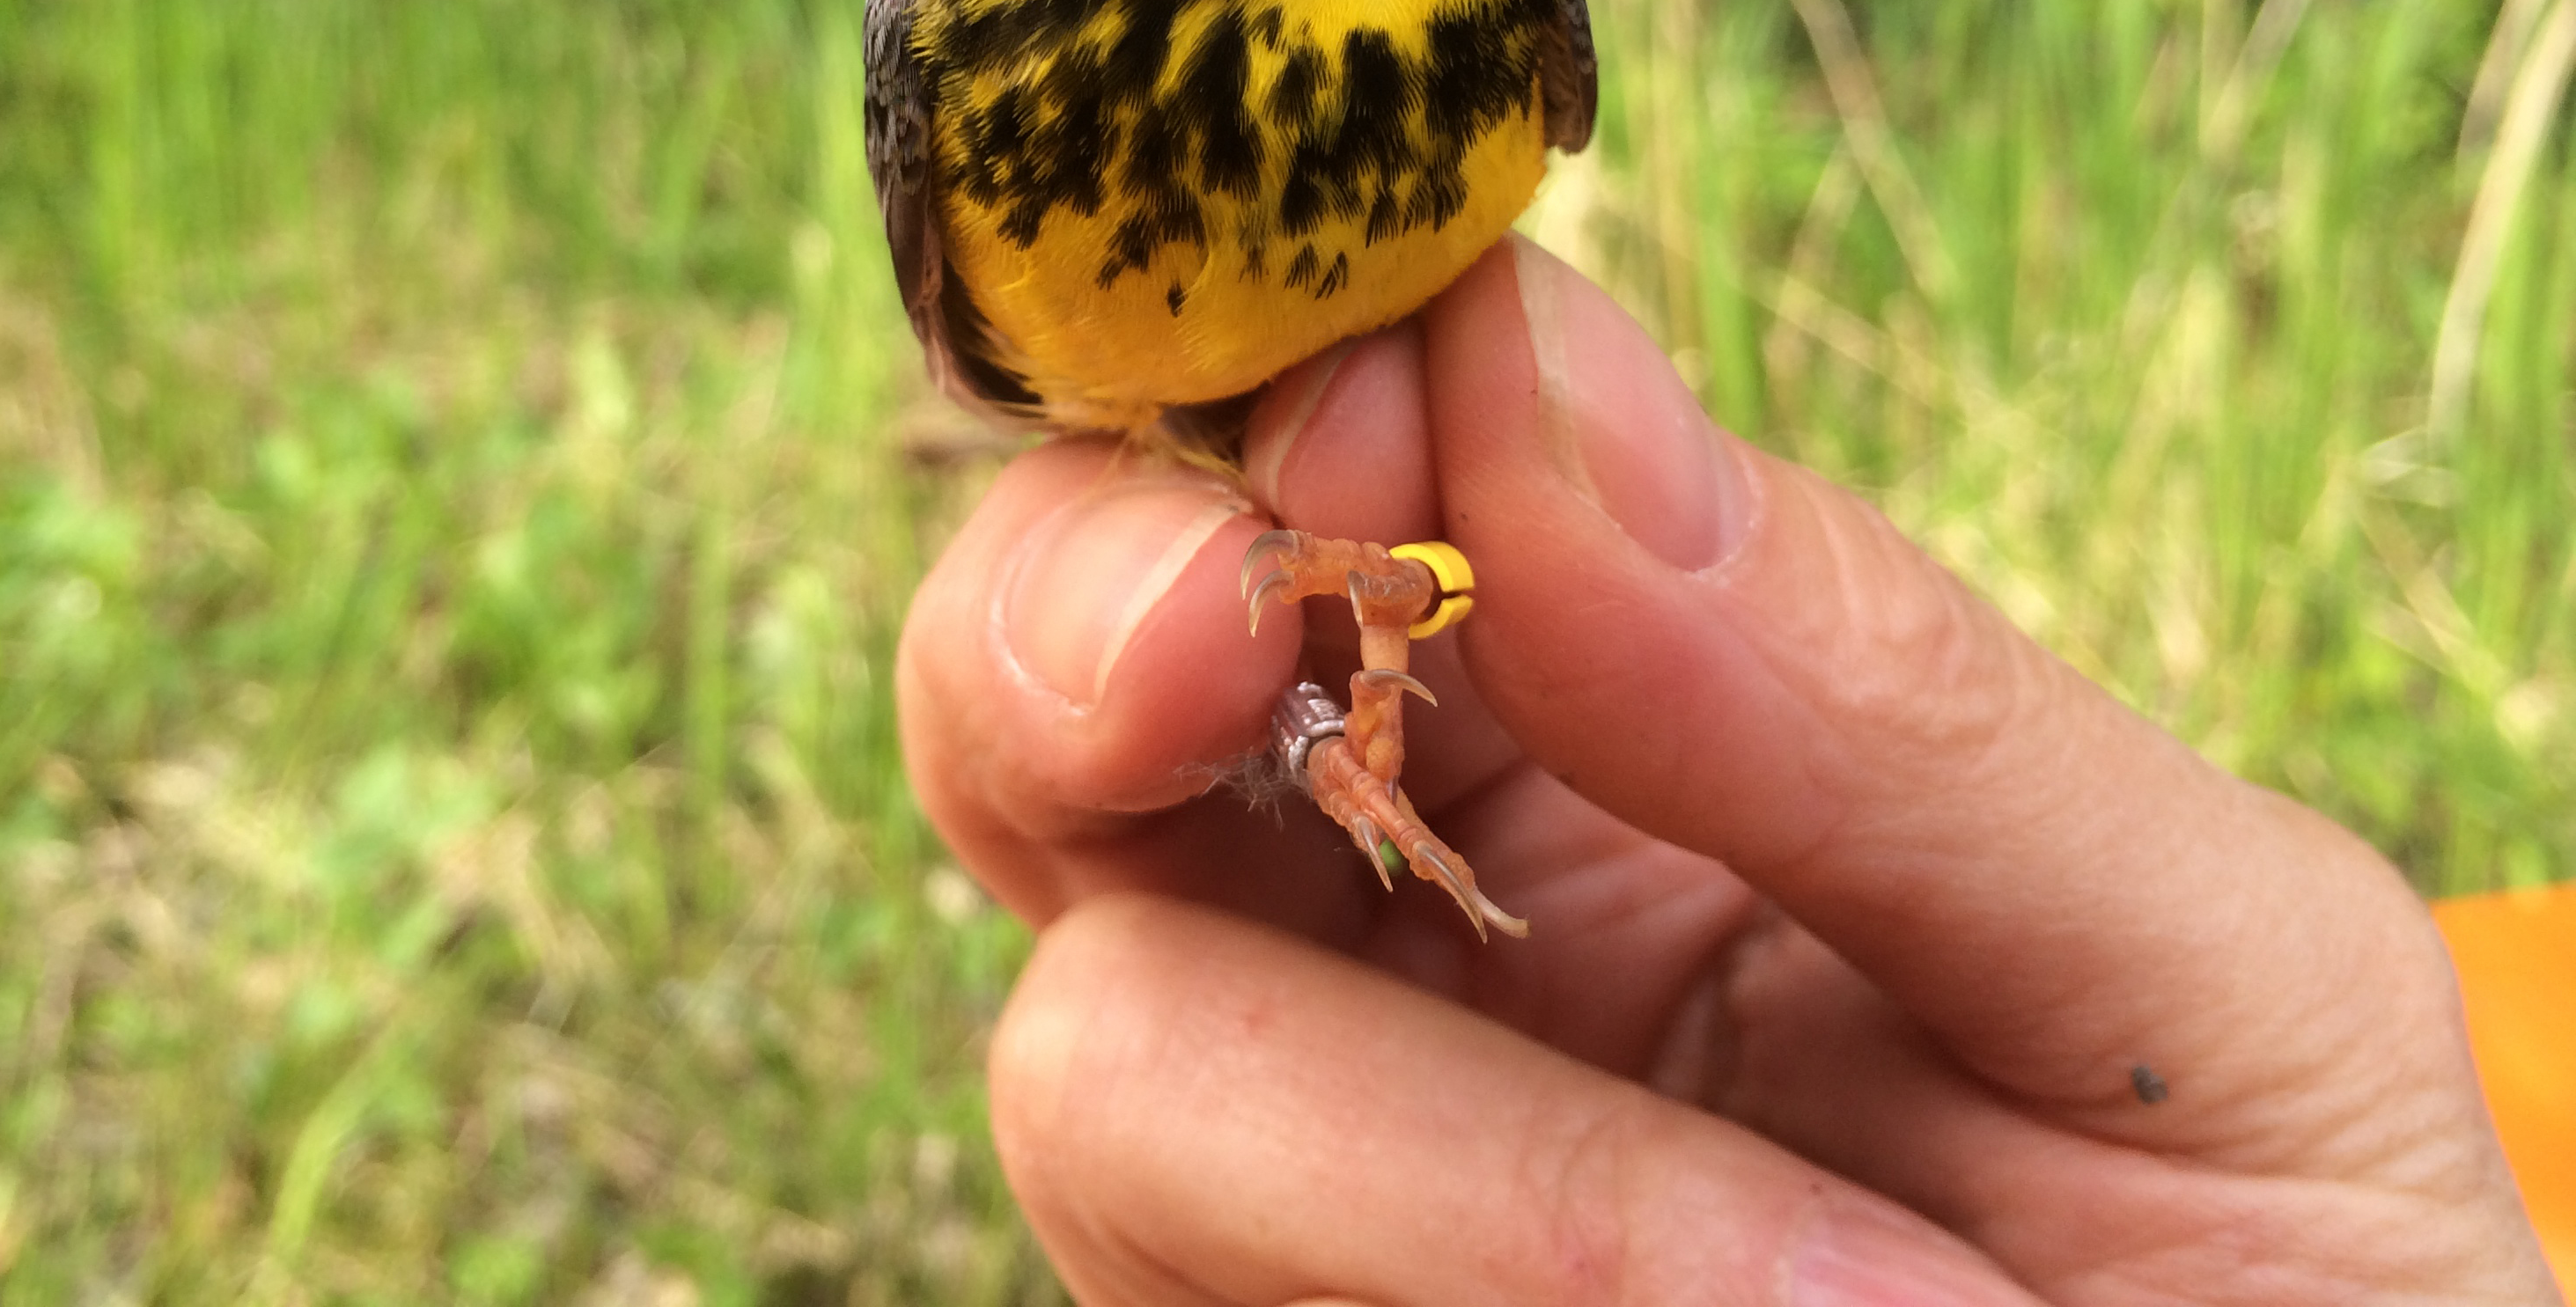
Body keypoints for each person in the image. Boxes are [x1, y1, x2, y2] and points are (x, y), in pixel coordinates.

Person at [899, 238, 2562, 1304]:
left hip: (1399, 548)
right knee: (1229, 584)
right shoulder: (998, 7)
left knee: (1369, 536)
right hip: (1215, 502)